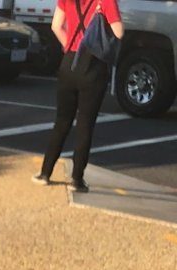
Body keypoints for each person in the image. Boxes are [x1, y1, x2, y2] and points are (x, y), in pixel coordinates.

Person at [35, 0, 123, 194]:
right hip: (93, 65)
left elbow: (56, 26)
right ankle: (77, 179)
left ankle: (45, 172)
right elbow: (119, 32)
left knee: (62, 121)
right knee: (85, 124)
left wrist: (68, 44)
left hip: (69, 62)